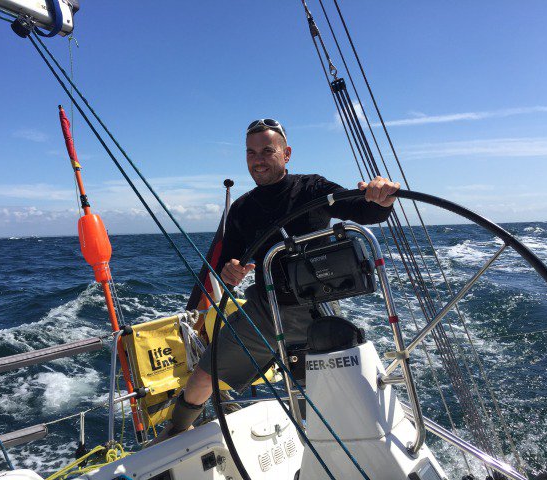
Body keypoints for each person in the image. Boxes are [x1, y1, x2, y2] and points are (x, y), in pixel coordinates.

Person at [160, 118, 399, 440]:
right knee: (205, 373)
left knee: (320, 396)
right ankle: (176, 430)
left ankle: (337, 441)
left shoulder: (312, 188)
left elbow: (365, 210)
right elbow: (228, 264)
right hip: (265, 308)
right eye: (251, 152)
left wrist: (380, 195)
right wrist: (231, 271)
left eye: (267, 151)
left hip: (317, 308)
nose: (258, 160)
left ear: (286, 154)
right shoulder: (242, 208)